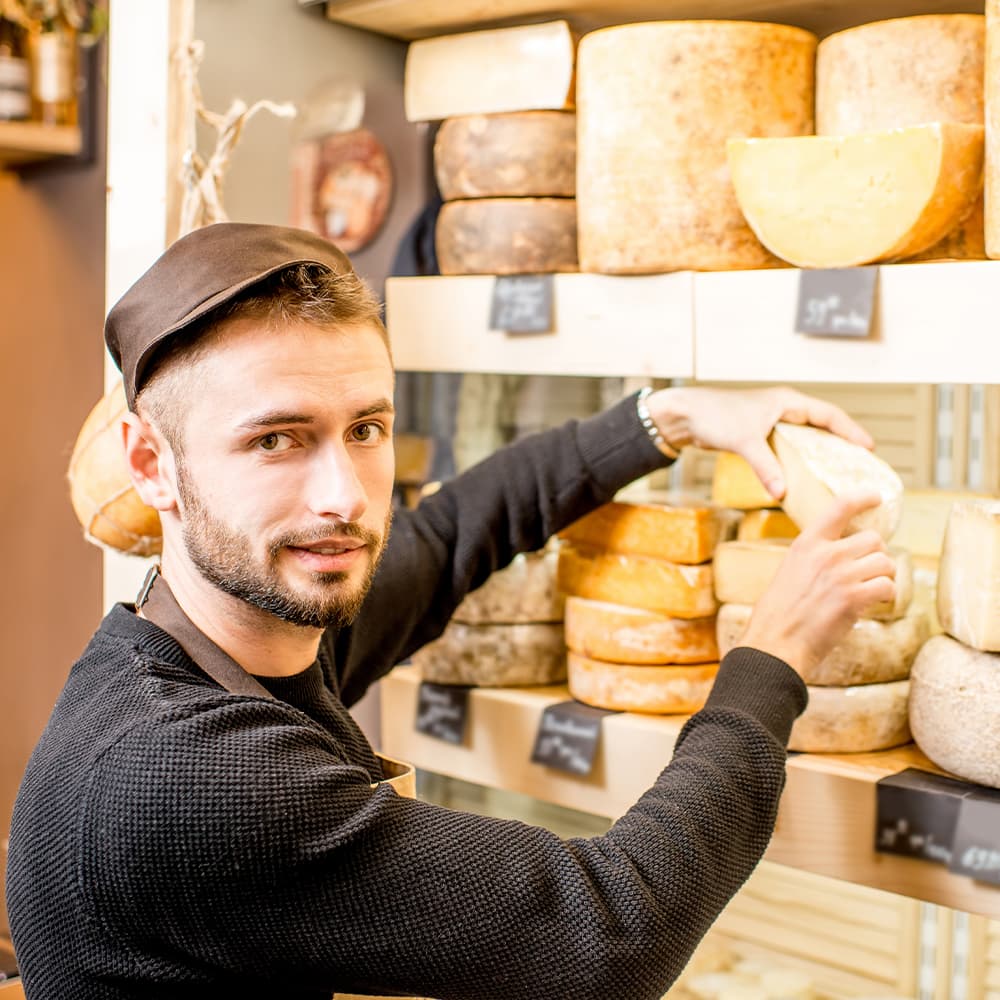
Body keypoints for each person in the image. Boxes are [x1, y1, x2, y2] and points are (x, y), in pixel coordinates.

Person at [6, 223, 896, 1000]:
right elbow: (614, 930)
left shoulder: (222, 637)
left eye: (365, 429)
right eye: (276, 440)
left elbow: (445, 538)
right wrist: (773, 655)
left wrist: (668, 419)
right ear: (151, 465)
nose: (344, 497)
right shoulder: (187, 773)